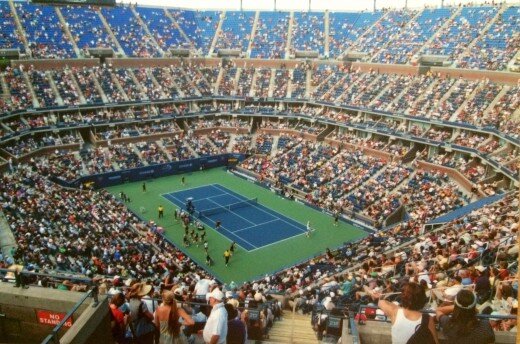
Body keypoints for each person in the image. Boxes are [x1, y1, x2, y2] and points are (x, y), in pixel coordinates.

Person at [372, 282, 438, 344]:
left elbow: (381, 302)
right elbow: (435, 342)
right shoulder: (428, 319)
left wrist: (381, 295)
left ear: (403, 297)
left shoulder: (395, 313)